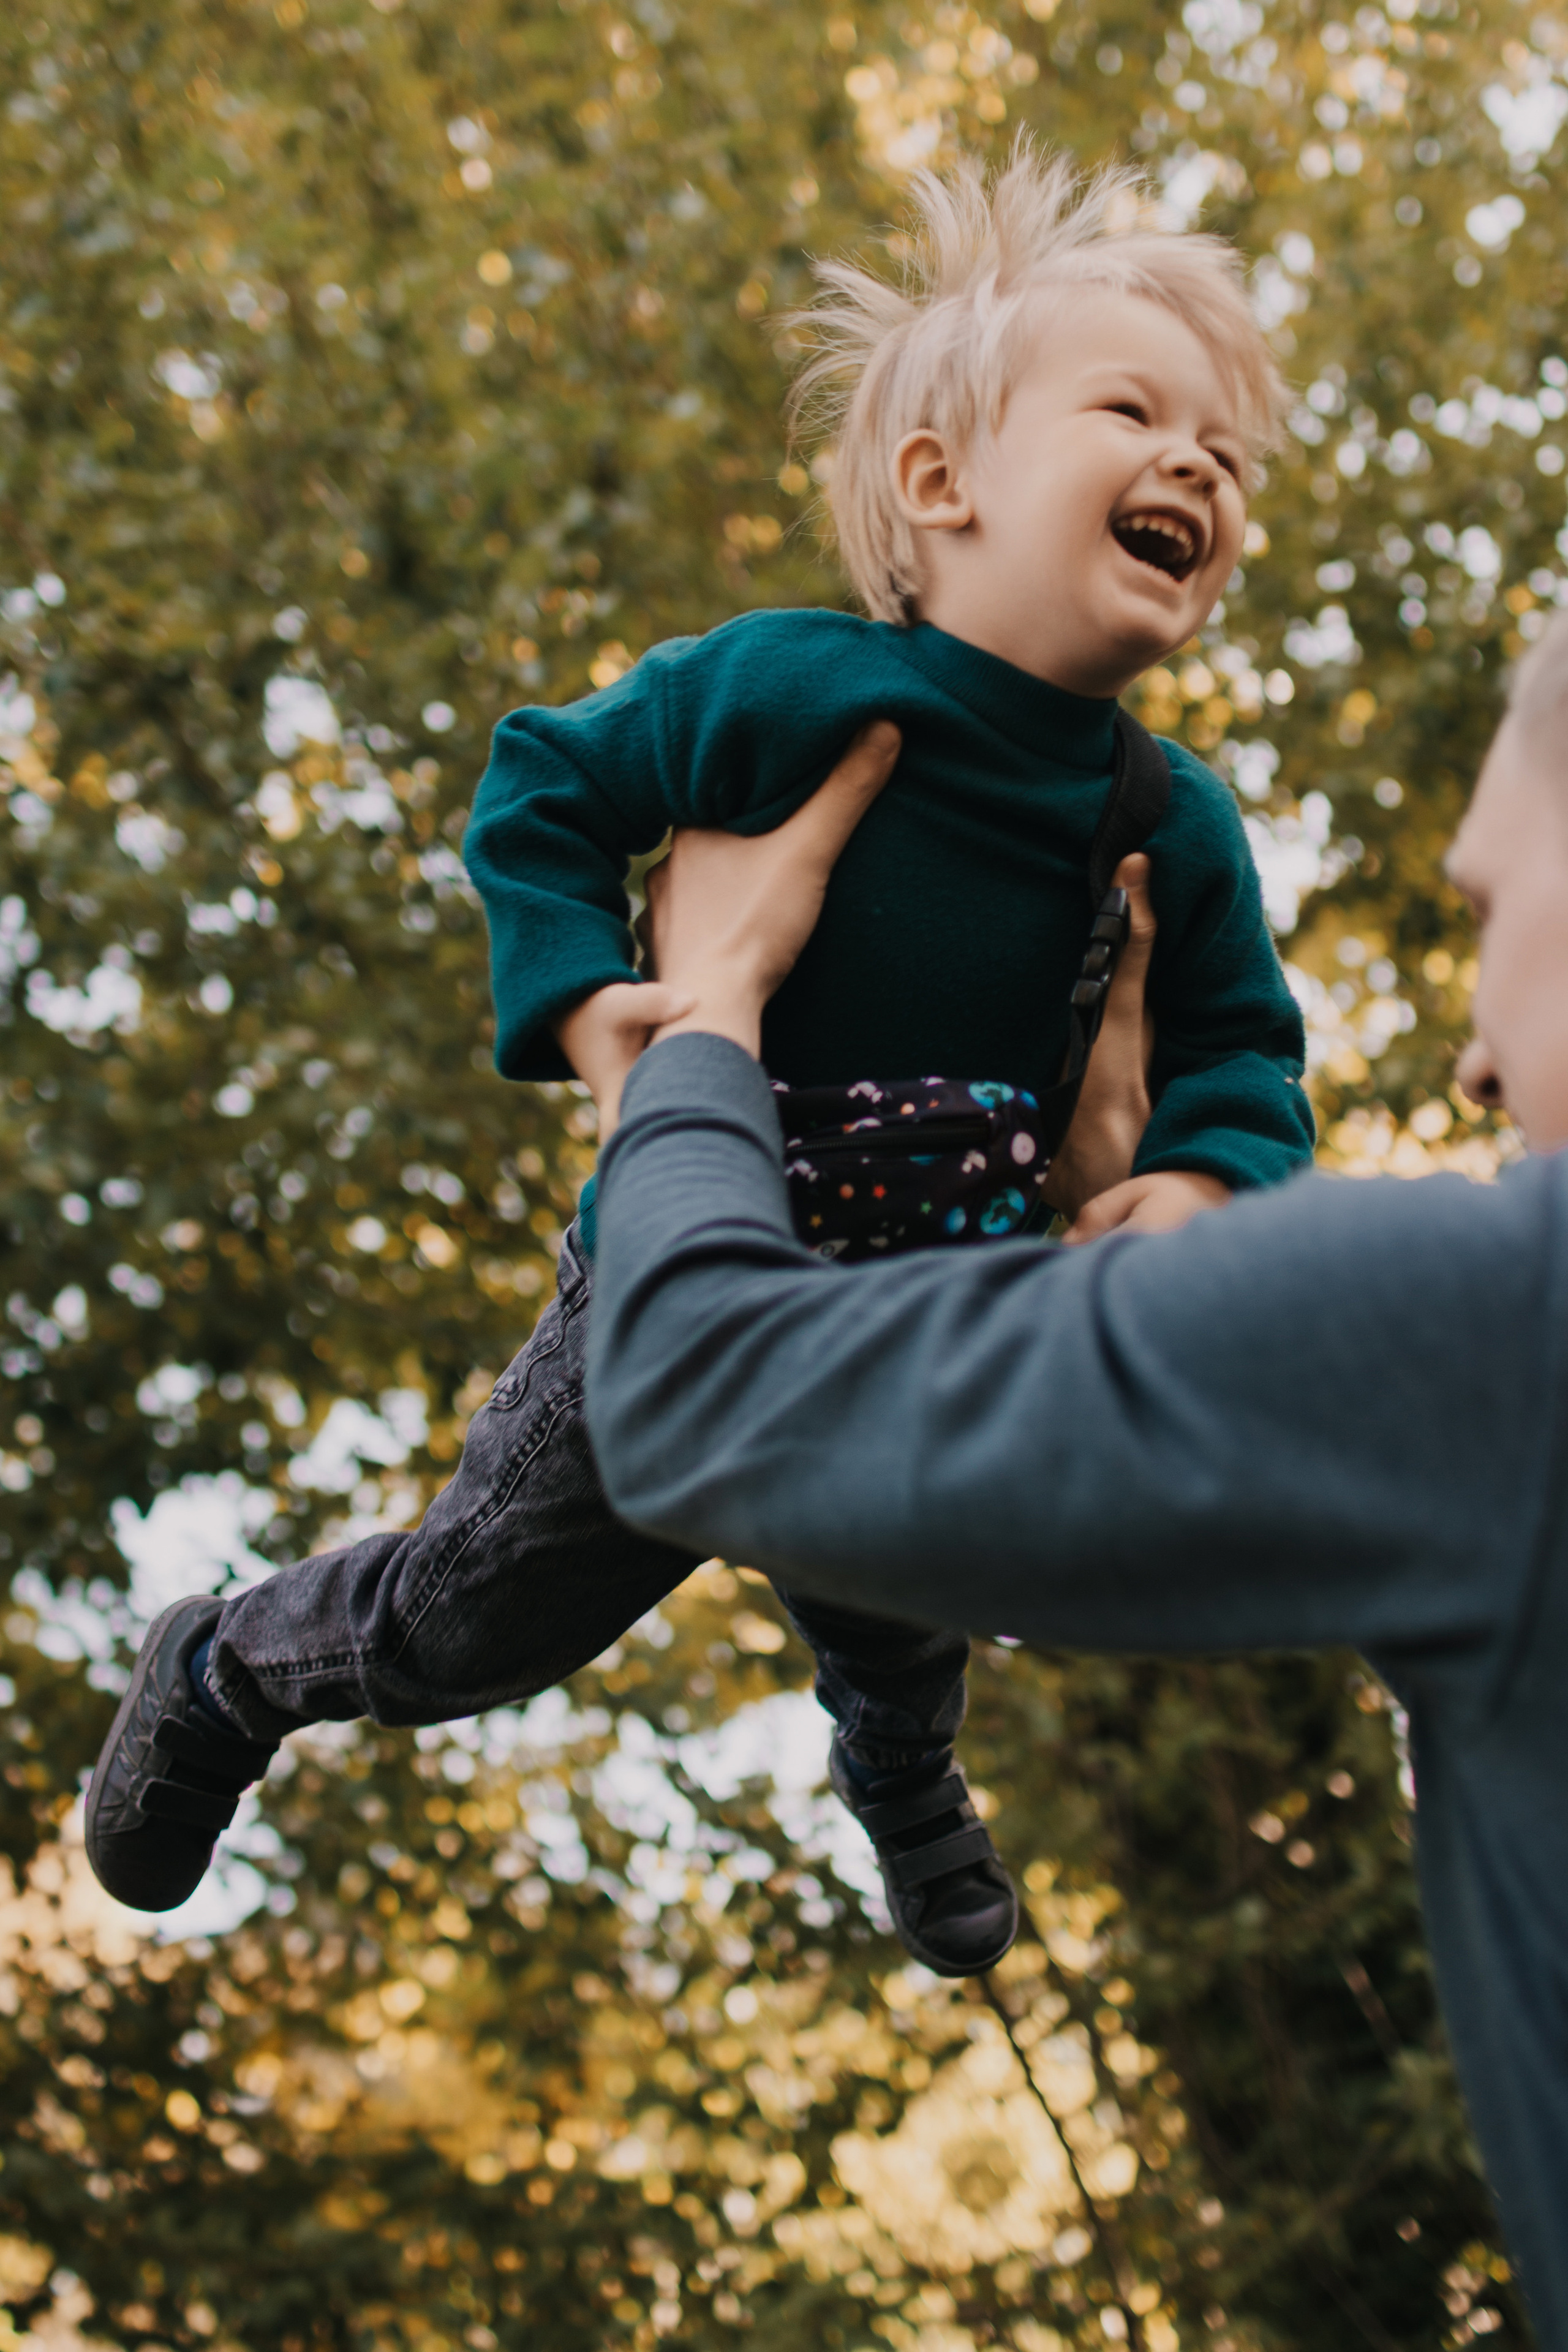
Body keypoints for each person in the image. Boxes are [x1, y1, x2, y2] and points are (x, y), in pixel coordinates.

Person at [84, 145, 1316, 1979]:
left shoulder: (1170, 817)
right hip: (675, 1288)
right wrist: (590, 1001)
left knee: (911, 1603)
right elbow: (547, 781)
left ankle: (901, 1773)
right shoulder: (790, 687)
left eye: (1227, 454)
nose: (1198, 465)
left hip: (932, 1307)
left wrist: (1205, 1183)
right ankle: (226, 1665)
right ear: (943, 481)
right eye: (1136, 412)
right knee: (478, 1617)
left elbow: (1246, 1058)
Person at [579, 619, 1568, 2332]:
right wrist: (1143, 1221)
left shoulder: (1502, 1330)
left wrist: (704, 1017)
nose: (1474, 1053)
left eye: (1489, 914)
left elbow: (686, 1387)